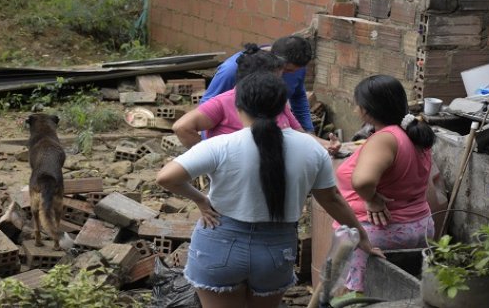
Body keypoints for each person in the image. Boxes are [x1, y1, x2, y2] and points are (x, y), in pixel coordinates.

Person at [157, 72, 383, 308]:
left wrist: (201, 200)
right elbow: (332, 199)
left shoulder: (221, 145)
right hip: (276, 251)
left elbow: (166, 178)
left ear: (238, 105)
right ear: (283, 106)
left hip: (220, 244)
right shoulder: (311, 148)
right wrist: (363, 238)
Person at [334, 75, 436, 296]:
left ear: (368, 110)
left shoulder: (385, 139)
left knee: (358, 297)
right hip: (419, 226)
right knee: (396, 295)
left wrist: (372, 199)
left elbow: (363, 181)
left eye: (357, 104)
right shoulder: (415, 133)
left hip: (379, 231)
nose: (355, 110)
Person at [172, 44, 304, 148]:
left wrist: (320, 144)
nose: (279, 83)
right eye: (276, 78)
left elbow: (298, 133)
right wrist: (209, 157)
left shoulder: (275, 100)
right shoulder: (225, 98)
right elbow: (182, 127)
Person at [200, 35, 314, 131]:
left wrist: (309, 131)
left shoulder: (297, 67)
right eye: (287, 70)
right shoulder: (232, 69)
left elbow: (298, 97)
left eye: (296, 71)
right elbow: (205, 108)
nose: (289, 74)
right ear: (274, 60)